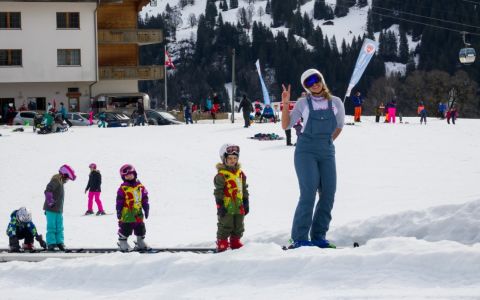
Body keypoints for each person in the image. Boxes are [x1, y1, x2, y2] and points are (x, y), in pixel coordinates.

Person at [281, 68, 345, 249]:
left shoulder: (336, 102)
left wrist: (326, 142)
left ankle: (318, 236)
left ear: (322, 79)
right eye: (309, 83)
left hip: (326, 151)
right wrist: (286, 103)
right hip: (305, 151)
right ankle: (299, 237)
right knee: (308, 193)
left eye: (316, 79)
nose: (314, 84)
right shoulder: (303, 103)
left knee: (328, 193)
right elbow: (286, 124)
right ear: (306, 87)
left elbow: (339, 126)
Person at [214, 144, 250, 252]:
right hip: (226, 204)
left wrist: (246, 201)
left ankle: (235, 241)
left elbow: (244, 188)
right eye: (229, 158)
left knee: (239, 224)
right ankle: (222, 242)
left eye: (235, 158)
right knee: (226, 224)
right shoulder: (221, 176)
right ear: (223, 159)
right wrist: (220, 205)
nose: (232, 160)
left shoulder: (240, 174)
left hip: (239, 203)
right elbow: (218, 192)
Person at [116, 164, 150, 251]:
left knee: (140, 227)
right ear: (124, 177)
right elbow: (119, 200)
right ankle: (122, 242)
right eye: (127, 175)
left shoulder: (140, 187)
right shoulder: (123, 188)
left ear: (135, 174)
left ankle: (140, 242)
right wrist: (119, 210)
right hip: (127, 213)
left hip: (138, 212)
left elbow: (144, 198)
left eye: (131, 174)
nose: (129, 176)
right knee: (126, 227)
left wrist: (146, 207)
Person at [44, 164, 76, 251]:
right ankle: (51, 243)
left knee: (60, 227)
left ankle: (59, 242)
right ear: (64, 174)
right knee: (51, 227)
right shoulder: (55, 180)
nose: (67, 180)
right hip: (51, 209)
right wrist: (50, 201)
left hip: (58, 210)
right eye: (68, 177)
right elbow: (48, 190)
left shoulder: (60, 182)